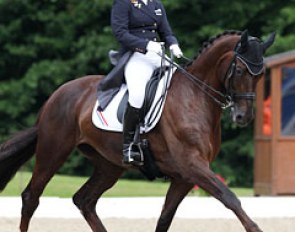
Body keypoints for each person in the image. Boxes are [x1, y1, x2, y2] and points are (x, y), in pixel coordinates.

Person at [111, 0, 183, 165]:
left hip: (157, 55)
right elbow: (120, 33)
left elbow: (166, 32)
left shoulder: (156, 4)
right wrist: (146, 44)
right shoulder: (123, 3)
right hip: (135, 56)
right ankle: (128, 146)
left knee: (182, 83)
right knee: (137, 96)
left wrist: (173, 44)